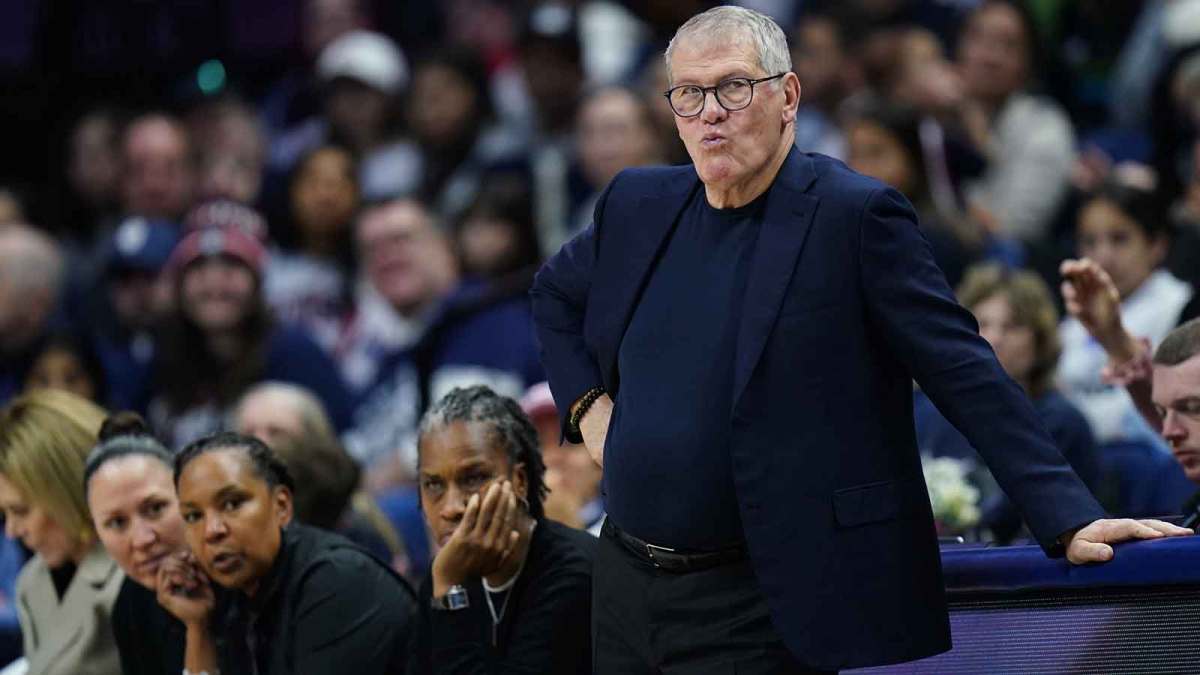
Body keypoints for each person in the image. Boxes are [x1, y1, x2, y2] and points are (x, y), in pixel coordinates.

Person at [529, 7, 1188, 672]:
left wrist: (1069, 514)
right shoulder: (639, 204)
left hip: (760, 599)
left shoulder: (854, 217)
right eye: (689, 94)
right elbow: (553, 293)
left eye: (732, 87)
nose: (710, 113)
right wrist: (589, 407)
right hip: (626, 587)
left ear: (786, 96)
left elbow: (962, 368)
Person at [158, 431, 417, 674]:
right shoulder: (232, 597)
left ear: (281, 506)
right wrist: (198, 629)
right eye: (193, 516)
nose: (211, 531)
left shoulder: (338, 581)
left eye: (232, 504)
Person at [409, 386, 594, 674]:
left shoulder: (576, 574)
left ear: (519, 480)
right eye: (433, 484)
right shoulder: (443, 574)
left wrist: (450, 592)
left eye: (473, 478)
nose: (451, 507)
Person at [913, 264, 1102, 540]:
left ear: (1040, 341)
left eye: (1012, 327)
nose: (995, 338)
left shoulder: (1062, 422)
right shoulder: (925, 412)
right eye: (982, 324)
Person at [149, 210, 354, 448]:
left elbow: (342, 451)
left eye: (231, 268)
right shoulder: (162, 356)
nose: (214, 284)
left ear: (258, 283)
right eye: (199, 270)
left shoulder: (296, 355)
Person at [0, 390, 123, 675]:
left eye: (20, 511)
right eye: (4, 515)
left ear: (65, 489)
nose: (12, 532)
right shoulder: (32, 583)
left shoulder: (140, 577)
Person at [84, 412, 188, 675]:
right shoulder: (131, 603)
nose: (143, 539)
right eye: (117, 523)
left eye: (155, 508)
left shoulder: (245, 584)